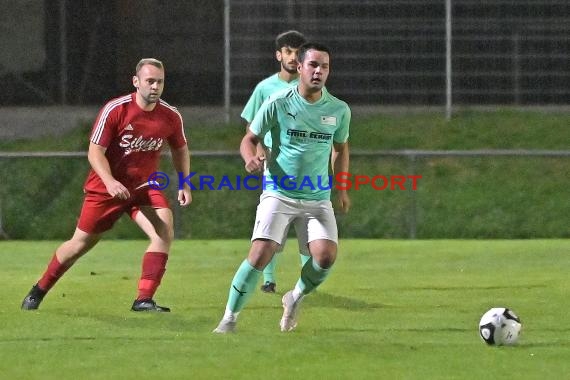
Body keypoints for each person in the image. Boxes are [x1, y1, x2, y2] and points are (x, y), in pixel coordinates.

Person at [21, 58, 192, 312]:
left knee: (164, 230)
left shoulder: (170, 115)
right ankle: (39, 289)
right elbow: (95, 152)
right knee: (79, 244)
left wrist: (185, 184)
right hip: (106, 189)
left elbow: (180, 149)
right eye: (150, 81)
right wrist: (110, 182)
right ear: (136, 82)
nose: (155, 87)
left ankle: (143, 299)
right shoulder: (116, 109)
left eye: (160, 82)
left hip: (144, 186)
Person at [213, 42, 351, 333]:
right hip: (279, 192)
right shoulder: (278, 101)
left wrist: (341, 187)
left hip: (316, 196)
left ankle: (295, 296)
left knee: (325, 257)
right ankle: (229, 319)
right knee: (261, 253)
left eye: (324, 66)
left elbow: (340, 148)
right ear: (299, 67)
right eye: (313, 65)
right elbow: (249, 138)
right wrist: (250, 157)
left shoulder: (339, 110)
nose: (318, 71)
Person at [240, 30, 309, 294]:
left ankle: (307, 280)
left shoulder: (312, 86)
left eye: (297, 51)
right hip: (276, 163)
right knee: (273, 221)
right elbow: (252, 126)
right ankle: (269, 278)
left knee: (306, 221)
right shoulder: (265, 88)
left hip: (305, 165)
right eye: (288, 51)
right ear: (278, 54)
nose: (293, 57)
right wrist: (257, 150)